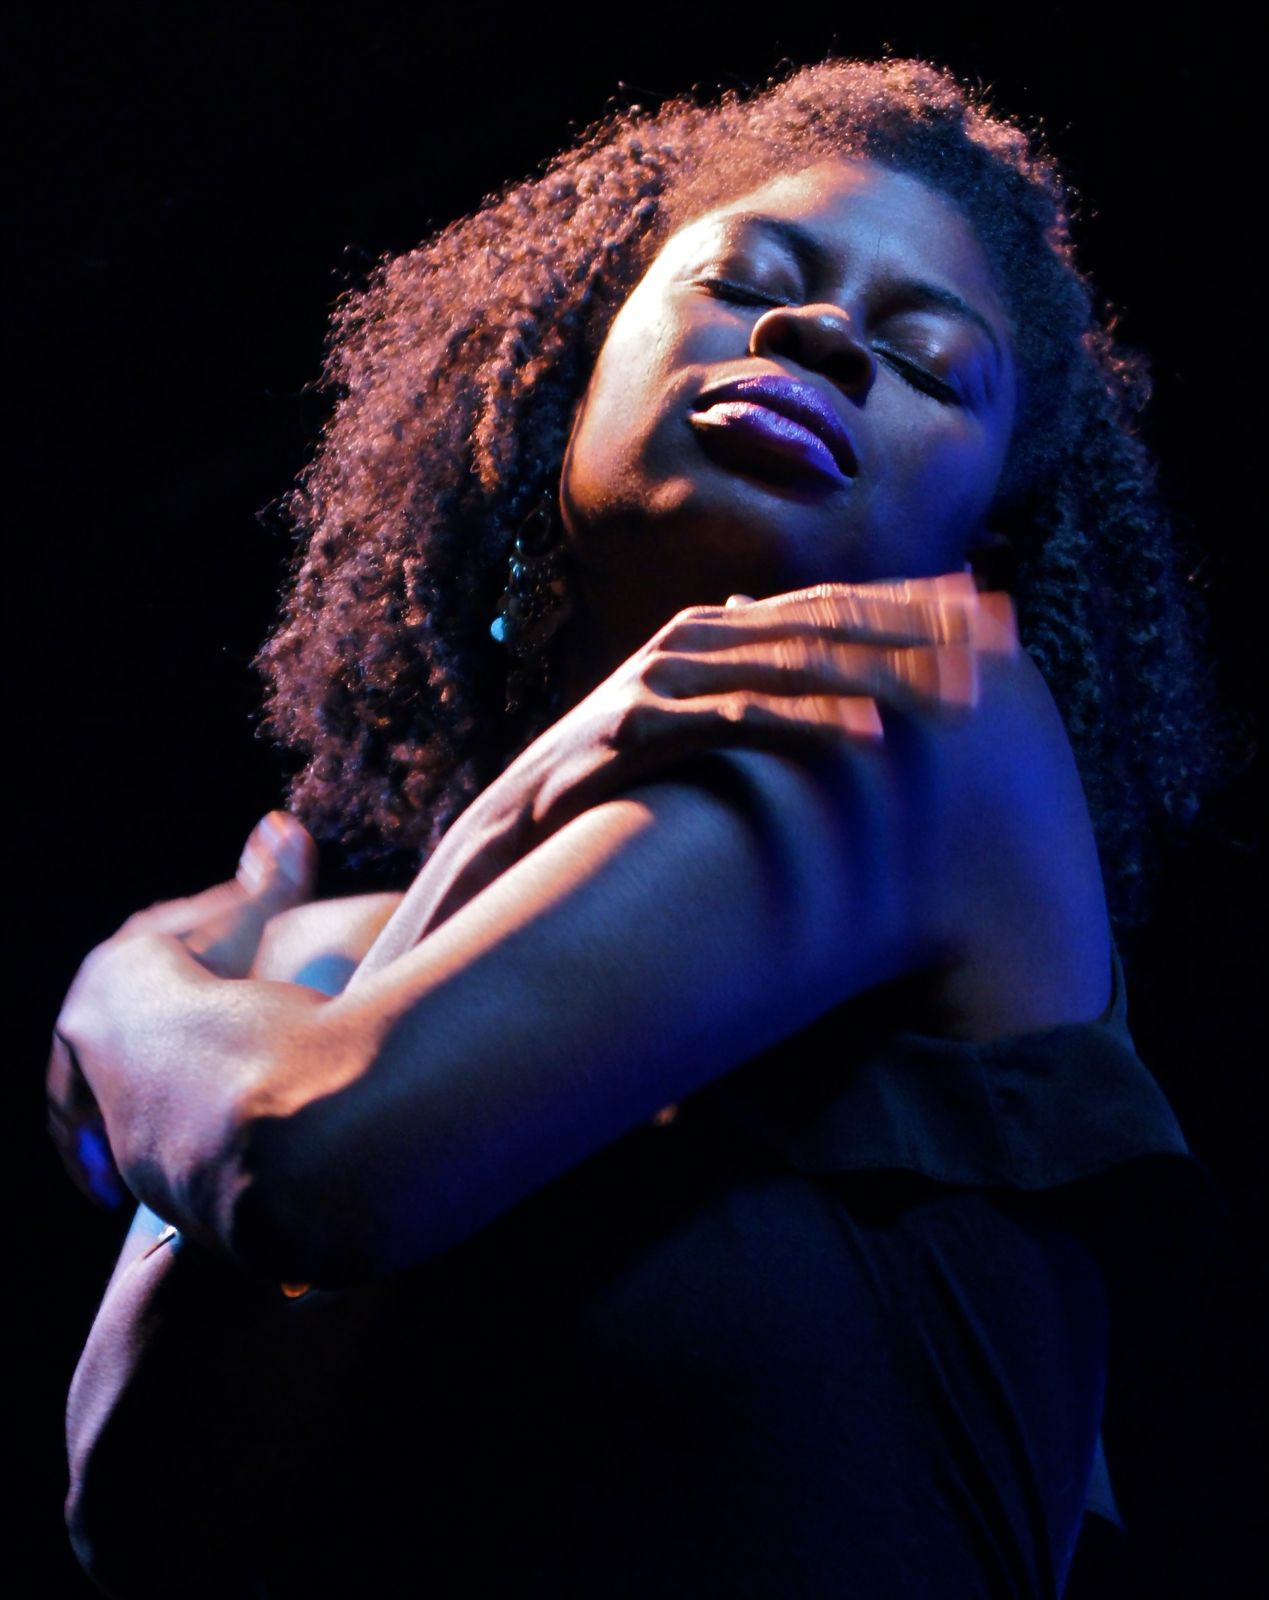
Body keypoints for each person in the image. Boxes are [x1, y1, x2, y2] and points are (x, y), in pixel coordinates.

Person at [48, 57, 1219, 1598]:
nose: (820, 335)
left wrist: (122, 990)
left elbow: (297, 1154)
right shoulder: (331, 964)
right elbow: (140, 1505)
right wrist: (477, 852)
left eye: (930, 365)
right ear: (567, 376)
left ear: (983, 533)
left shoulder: (943, 704)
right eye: (748, 282)